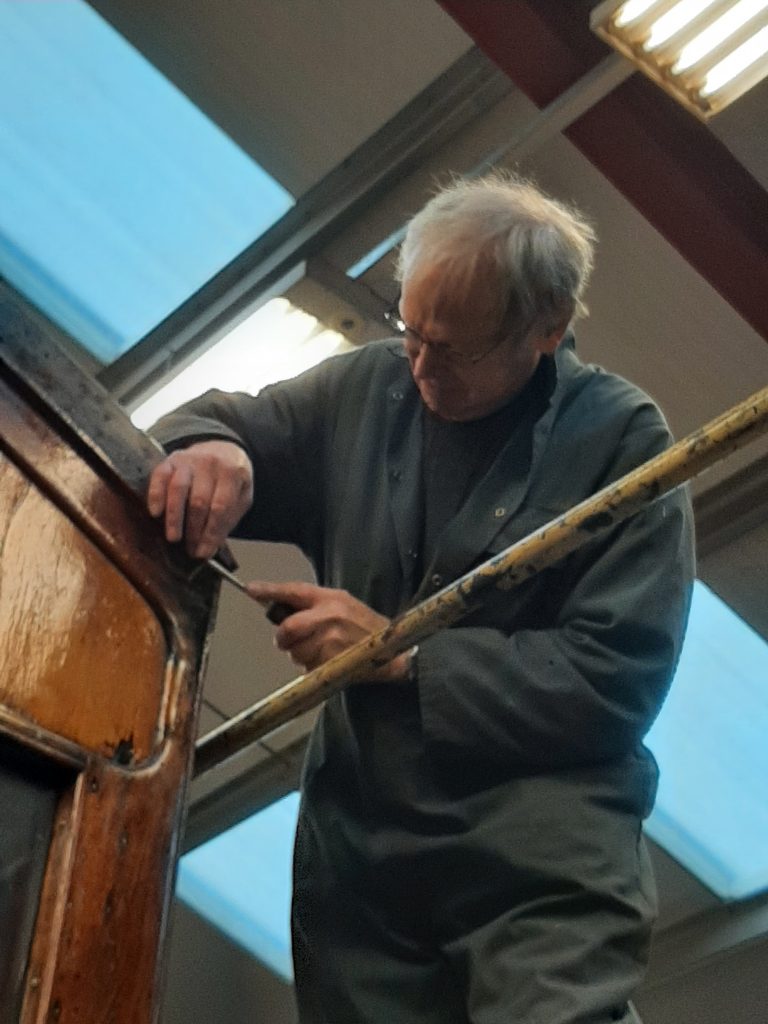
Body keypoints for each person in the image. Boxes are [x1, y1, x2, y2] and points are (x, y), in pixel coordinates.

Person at [148, 173, 694, 1024]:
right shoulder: (368, 387)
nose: (421, 364)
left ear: (549, 329)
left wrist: (405, 657)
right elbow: (218, 422)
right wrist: (214, 448)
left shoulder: (624, 440)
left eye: (457, 349)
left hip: (540, 867)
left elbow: (616, 680)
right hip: (363, 867)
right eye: (410, 329)